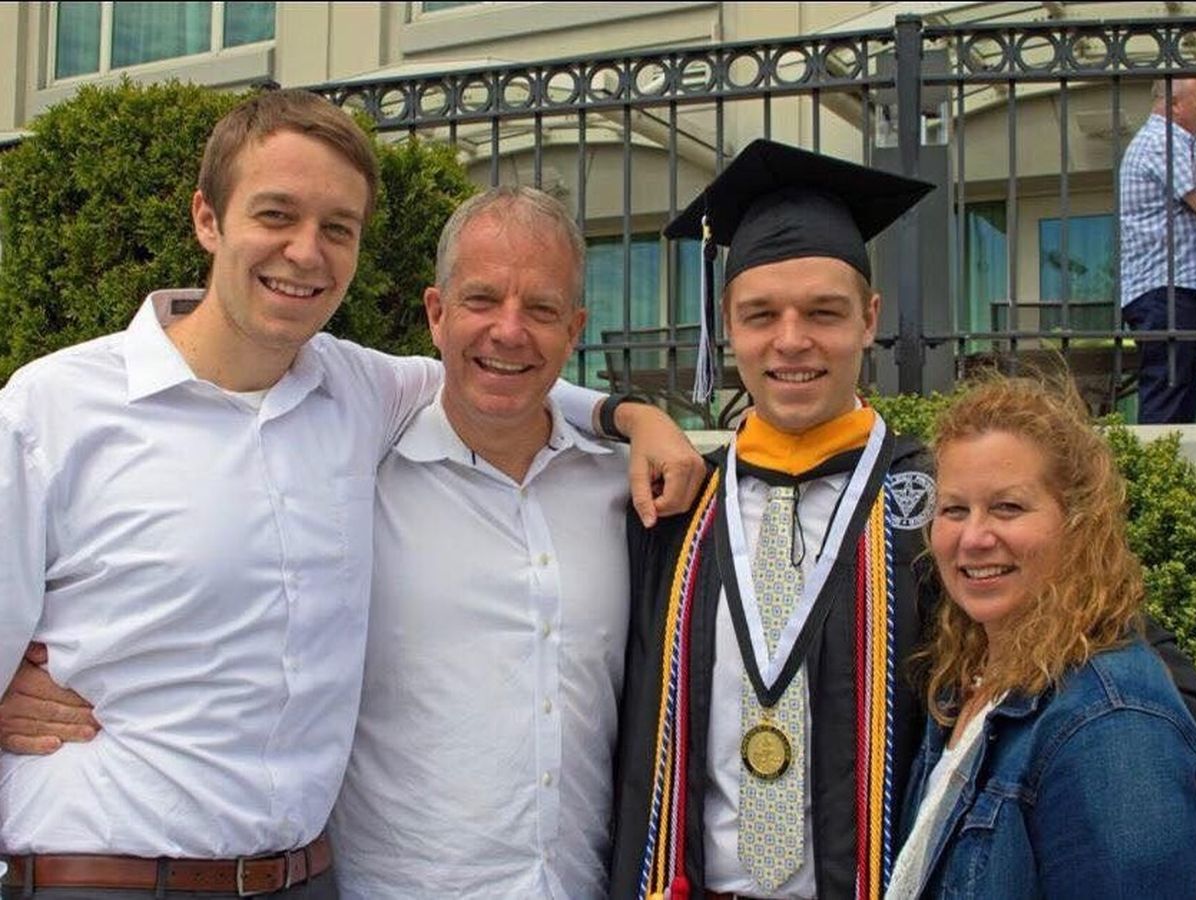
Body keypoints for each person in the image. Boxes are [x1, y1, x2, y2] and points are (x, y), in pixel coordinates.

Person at [0, 90, 701, 898]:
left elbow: (499, 375)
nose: (306, 251)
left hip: (296, 880)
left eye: (338, 228)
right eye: (276, 215)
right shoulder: (55, 409)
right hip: (96, 874)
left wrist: (633, 415)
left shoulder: (355, 390)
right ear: (207, 219)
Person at [609, 139, 1196, 900]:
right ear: (727, 325)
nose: (791, 340)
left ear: (870, 319)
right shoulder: (674, 509)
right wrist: (620, 413)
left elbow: (1108, 646)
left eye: (823, 312)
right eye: (761, 315)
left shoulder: (942, 506)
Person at [328, 186, 633, 898]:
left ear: (575, 329)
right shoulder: (355, 484)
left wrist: (635, 419)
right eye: (482, 300)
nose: (509, 330)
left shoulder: (627, 490)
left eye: (542, 310)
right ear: (436, 313)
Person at [886, 376, 1196, 899]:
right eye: (954, 509)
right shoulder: (970, 680)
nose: (974, 537)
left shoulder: (1113, 725)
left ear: (1078, 522)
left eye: (1008, 507)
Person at [1120, 77, 1196, 424]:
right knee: (1169, 392)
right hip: (1166, 291)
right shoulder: (1163, 141)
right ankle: (1153, 455)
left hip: (1170, 290)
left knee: (1179, 390)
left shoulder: (1178, 142)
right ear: (1176, 105)